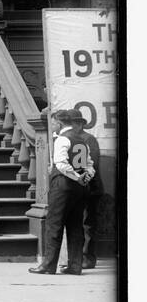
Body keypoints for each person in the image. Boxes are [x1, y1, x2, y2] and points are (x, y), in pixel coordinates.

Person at [29, 108, 96, 275]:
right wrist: (84, 179)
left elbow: (61, 164)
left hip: (63, 186)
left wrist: (75, 177)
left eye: (52, 123)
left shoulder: (62, 139)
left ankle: (48, 266)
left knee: (54, 225)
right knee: (75, 226)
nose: (51, 126)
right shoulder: (82, 140)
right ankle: (75, 266)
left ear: (59, 123)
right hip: (80, 189)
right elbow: (90, 165)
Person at [70, 112, 104, 269]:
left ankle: (88, 258)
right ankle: (78, 257)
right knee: (78, 223)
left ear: (81, 124)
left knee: (88, 224)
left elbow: (92, 165)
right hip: (78, 188)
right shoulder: (71, 139)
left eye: (75, 123)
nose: (73, 126)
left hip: (91, 188)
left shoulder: (88, 139)